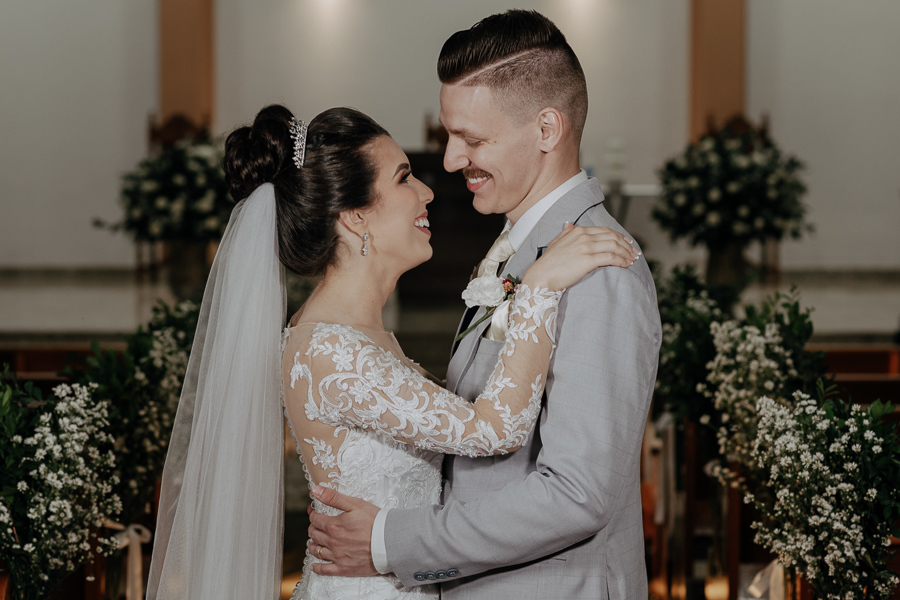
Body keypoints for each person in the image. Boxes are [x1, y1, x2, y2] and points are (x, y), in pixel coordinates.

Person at [145, 103, 637, 600]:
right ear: (356, 217)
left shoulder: (360, 338)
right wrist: (539, 289)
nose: (427, 192)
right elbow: (496, 428)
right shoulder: (331, 350)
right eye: (404, 179)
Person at [307, 10, 663, 600]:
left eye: (472, 139)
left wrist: (390, 541)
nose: (449, 160)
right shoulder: (520, 251)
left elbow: (577, 493)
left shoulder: (600, 271)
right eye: (451, 135)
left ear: (546, 130)